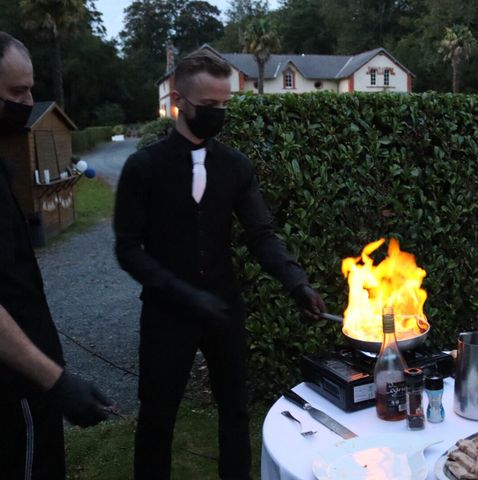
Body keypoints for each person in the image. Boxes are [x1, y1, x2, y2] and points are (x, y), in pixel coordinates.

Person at [114, 48, 326, 480]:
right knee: (157, 416)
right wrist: (180, 291)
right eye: (209, 105)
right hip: (166, 314)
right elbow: (128, 248)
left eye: (225, 104)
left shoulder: (235, 166)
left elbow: (261, 234)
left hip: (225, 310)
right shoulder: (143, 167)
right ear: (179, 100)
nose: (219, 113)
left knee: (235, 411)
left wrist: (296, 284)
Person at [0, 31, 111, 479]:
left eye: (31, 87)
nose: (28, 100)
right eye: (17, 91)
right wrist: (55, 381)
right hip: (9, 392)